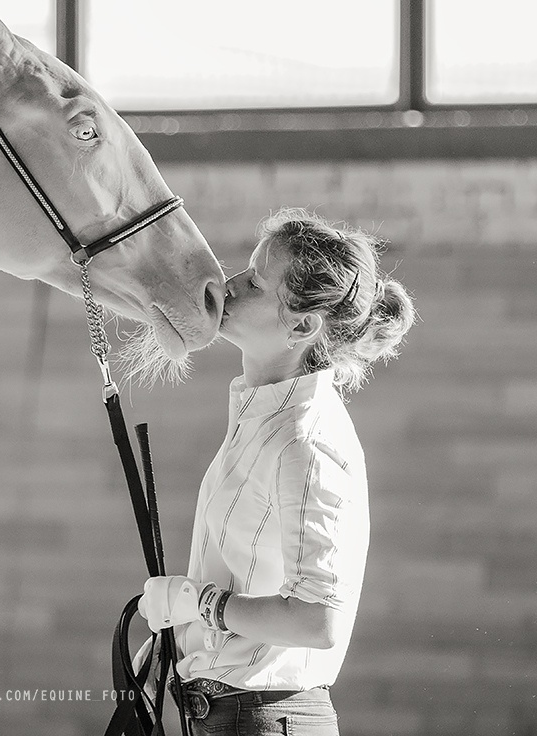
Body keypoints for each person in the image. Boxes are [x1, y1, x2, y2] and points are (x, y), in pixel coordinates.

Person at [136, 208, 416, 735]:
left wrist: (197, 603)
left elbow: (318, 620)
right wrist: (174, 636)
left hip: (267, 721)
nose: (229, 285)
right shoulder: (265, 418)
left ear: (304, 325)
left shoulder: (304, 439)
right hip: (229, 716)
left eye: (256, 282)